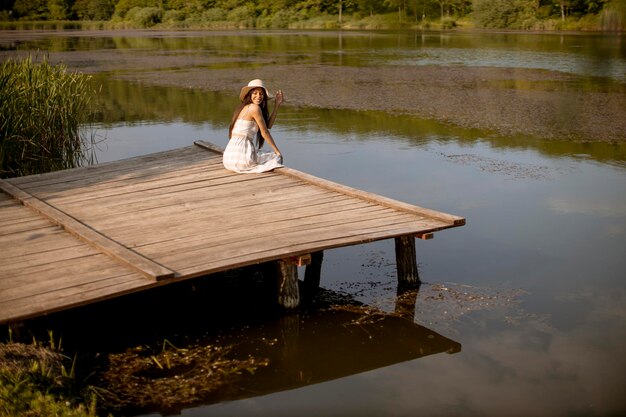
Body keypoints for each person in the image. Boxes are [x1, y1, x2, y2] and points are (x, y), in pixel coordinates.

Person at [223, 79, 284, 173]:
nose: (258, 96)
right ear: (250, 95)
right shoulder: (255, 108)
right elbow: (265, 132)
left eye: (261, 94)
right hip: (241, 159)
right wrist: (277, 151)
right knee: (275, 157)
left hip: (228, 159)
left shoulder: (242, 108)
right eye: (255, 93)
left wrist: (276, 106)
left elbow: (267, 126)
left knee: (266, 154)